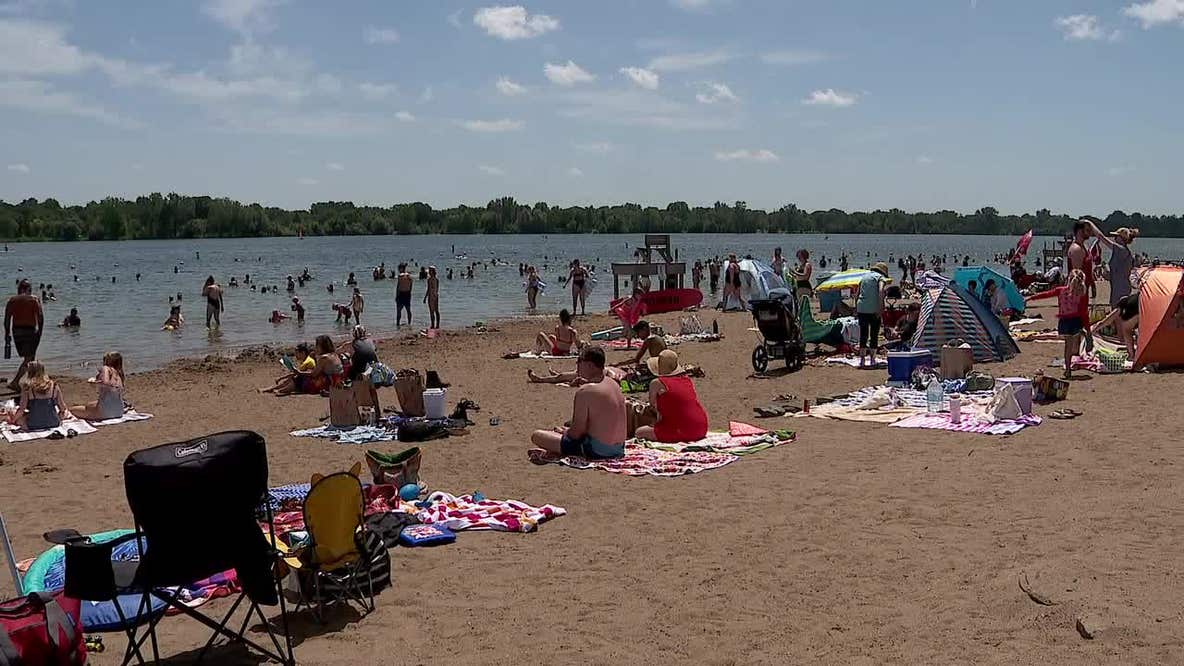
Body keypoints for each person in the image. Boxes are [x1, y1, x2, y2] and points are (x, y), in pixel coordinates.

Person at [529, 346, 627, 459]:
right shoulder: (613, 384)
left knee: (537, 436)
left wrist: (565, 433)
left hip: (598, 451)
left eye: (579, 361)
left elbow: (576, 433)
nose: (577, 365)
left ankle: (555, 450)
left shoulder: (586, 391)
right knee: (565, 428)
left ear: (590, 365)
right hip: (619, 448)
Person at [633, 350, 708, 443]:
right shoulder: (686, 380)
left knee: (639, 432)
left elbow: (652, 406)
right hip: (701, 428)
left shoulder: (657, 383)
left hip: (681, 430)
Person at [1026, 269, 1089, 379]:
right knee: (1075, 344)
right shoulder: (1082, 293)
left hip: (1064, 321)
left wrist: (1031, 298)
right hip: (1075, 321)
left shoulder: (1061, 290)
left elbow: (1046, 294)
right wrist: (1088, 329)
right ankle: (1079, 342)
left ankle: (1068, 369)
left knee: (1068, 346)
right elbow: (1084, 313)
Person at [264, 335, 343, 396]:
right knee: (301, 376)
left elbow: (314, 374)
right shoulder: (333, 354)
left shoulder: (324, 358)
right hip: (337, 381)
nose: (315, 348)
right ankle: (281, 389)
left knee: (300, 378)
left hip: (330, 383)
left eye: (317, 346)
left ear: (322, 346)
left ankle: (282, 390)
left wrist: (299, 372)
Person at [4, 280, 44, 391]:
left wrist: (7, 334)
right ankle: (16, 382)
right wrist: (40, 332)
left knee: (29, 357)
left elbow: (7, 319)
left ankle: (31, 381)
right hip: (30, 331)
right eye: (30, 289)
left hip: (17, 331)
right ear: (26, 289)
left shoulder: (12, 300)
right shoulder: (34, 299)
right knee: (29, 358)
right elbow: (40, 317)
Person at [14, 362, 72, 430]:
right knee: (61, 413)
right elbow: (62, 407)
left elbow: (22, 409)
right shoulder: (54, 386)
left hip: (33, 424)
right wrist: (61, 415)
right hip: (53, 423)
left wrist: (13, 420)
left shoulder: (27, 387)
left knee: (19, 420)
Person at [1091, 224, 1139, 307]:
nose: (1114, 238)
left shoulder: (1120, 249)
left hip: (1120, 289)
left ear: (1121, 238)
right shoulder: (1124, 252)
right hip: (1120, 287)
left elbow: (1102, 238)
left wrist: (1091, 225)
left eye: (1116, 236)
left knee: (1117, 310)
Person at [70, 352, 126, 421]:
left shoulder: (106, 368)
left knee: (71, 410)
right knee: (89, 404)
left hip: (105, 412)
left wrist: (94, 382)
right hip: (119, 411)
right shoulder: (119, 373)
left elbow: (105, 383)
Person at [854, 262, 888, 368]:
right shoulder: (880, 278)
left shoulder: (864, 277)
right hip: (873, 308)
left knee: (863, 334)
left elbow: (857, 294)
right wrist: (881, 306)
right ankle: (872, 359)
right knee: (874, 334)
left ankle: (862, 360)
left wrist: (856, 307)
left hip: (861, 307)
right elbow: (881, 291)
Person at [1092, 292, 1139, 359]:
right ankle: (1137, 352)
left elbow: (1105, 321)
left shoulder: (1122, 305)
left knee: (1126, 330)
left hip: (1134, 309)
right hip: (1143, 303)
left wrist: (1094, 330)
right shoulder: (1130, 300)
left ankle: (1132, 354)